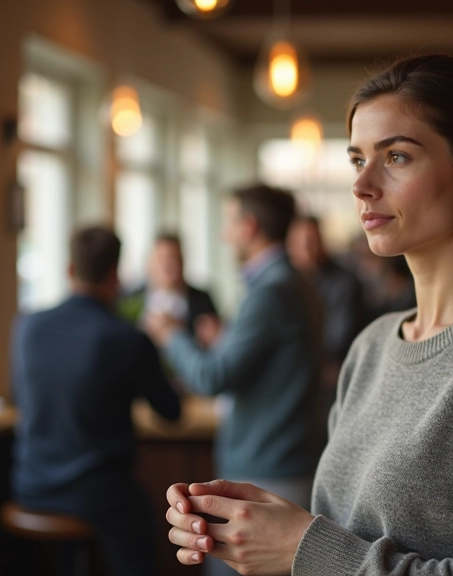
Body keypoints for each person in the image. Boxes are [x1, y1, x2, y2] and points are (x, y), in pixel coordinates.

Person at [162, 54, 453, 576]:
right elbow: (347, 536)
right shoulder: (373, 346)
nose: (362, 186)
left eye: (397, 157)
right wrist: (260, 527)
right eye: (358, 159)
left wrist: (301, 547)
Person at [144, 184, 320, 575]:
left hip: (266, 468)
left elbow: (210, 378)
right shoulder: (295, 281)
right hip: (285, 459)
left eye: (228, 223)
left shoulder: (269, 291)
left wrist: (170, 335)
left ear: (249, 226)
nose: (225, 234)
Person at [10, 226, 181, 576]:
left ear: (69, 269)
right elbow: (170, 411)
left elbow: (23, 395)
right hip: (100, 496)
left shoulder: (27, 326)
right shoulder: (127, 339)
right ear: (115, 275)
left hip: (30, 485)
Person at [286, 215, 364, 377]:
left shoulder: (344, 283)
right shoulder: (286, 281)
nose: (307, 250)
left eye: (312, 242)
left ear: (322, 242)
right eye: (299, 244)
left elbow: (338, 338)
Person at [118, 232, 217, 339]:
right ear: (150, 263)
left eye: (176, 259)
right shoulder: (130, 299)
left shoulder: (202, 300)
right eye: (165, 260)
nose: (172, 266)